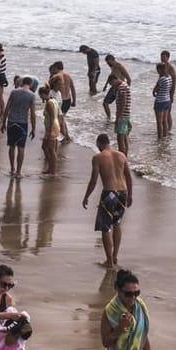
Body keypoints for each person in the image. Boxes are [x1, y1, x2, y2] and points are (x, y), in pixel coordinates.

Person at [82, 133, 133, 269]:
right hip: (122, 193)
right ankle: (115, 255)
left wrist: (86, 196)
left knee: (105, 227)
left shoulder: (98, 158)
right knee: (117, 224)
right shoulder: (121, 155)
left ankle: (109, 261)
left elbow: (93, 181)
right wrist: (130, 195)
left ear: (99, 144)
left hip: (109, 193)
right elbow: (128, 178)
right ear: (109, 143)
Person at [0, 77, 37, 180]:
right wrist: (33, 128)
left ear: (22, 83)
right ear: (31, 84)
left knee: (11, 146)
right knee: (21, 148)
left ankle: (12, 168)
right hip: (22, 123)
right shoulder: (31, 95)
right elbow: (32, 114)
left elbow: (7, 108)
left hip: (11, 121)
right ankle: (18, 171)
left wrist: (3, 123)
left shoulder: (14, 92)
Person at [104, 55, 133, 155]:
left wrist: (117, 118)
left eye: (111, 84)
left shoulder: (121, 88)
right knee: (125, 138)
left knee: (120, 139)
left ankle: (121, 159)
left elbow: (122, 104)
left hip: (122, 116)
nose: (112, 86)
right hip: (126, 115)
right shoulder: (124, 87)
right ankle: (125, 157)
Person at [46, 61, 77, 142]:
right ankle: (66, 136)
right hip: (68, 100)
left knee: (59, 120)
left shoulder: (55, 77)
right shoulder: (68, 76)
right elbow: (73, 89)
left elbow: (48, 90)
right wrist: (74, 101)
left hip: (59, 101)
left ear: (56, 67)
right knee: (62, 119)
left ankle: (65, 136)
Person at [39, 86, 62, 174]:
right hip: (54, 126)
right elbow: (58, 115)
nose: (40, 98)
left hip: (52, 127)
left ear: (43, 94)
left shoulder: (49, 103)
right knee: (46, 147)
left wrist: (50, 131)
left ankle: (52, 169)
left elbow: (52, 117)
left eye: (41, 95)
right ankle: (51, 167)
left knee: (51, 149)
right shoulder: (54, 101)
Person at [152, 56, 176, 137]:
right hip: (167, 100)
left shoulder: (161, 79)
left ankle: (159, 138)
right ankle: (165, 136)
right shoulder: (169, 77)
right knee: (165, 120)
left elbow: (155, 90)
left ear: (160, 70)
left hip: (160, 101)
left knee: (159, 122)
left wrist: (154, 91)